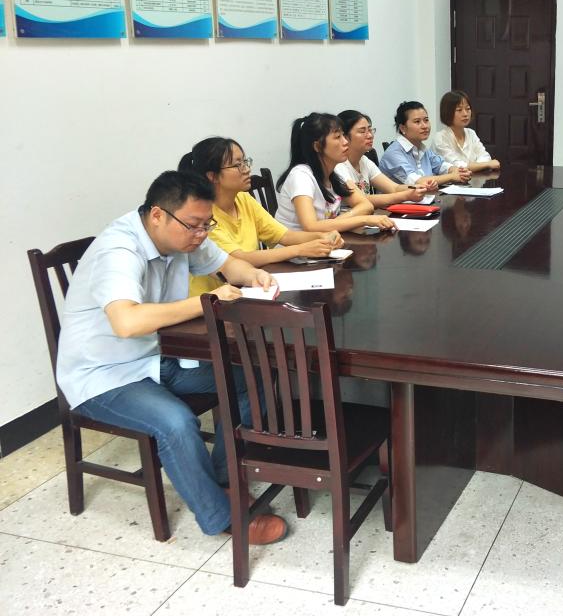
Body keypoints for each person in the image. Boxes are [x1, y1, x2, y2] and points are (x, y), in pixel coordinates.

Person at [55, 171, 288, 543]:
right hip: (102, 374)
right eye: (194, 225)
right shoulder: (119, 250)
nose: (201, 234)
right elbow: (127, 322)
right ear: (157, 215)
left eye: (206, 224)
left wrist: (255, 277)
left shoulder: (185, 235)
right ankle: (221, 517)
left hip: (155, 358)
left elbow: (229, 265)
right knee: (176, 422)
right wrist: (205, 301)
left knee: (253, 375)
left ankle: (224, 479)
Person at [178, 137, 345, 297]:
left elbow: (284, 235)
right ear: (213, 176)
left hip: (247, 288)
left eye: (245, 162)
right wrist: (299, 250)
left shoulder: (243, 199)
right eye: (238, 165)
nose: (247, 169)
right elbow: (238, 258)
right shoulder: (204, 216)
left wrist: (322, 237)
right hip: (212, 299)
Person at [275, 112, 395, 234]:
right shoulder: (301, 176)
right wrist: (363, 220)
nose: (345, 142)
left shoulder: (334, 173)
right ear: (318, 146)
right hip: (298, 245)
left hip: (328, 242)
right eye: (338, 137)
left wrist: (335, 223)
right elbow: (311, 227)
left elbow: (366, 205)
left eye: (343, 135)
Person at [335, 110, 430, 207]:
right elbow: (361, 199)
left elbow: (394, 188)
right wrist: (406, 196)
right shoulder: (338, 165)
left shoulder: (364, 161)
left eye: (370, 130)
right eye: (362, 131)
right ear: (344, 136)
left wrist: (417, 187)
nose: (370, 135)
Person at [379, 101, 472, 188]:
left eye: (426, 120)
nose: (425, 126)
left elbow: (441, 166)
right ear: (403, 128)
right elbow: (418, 182)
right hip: (400, 200)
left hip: (425, 197)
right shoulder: (393, 153)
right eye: (417, 122)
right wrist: (452, 176)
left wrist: (458, 171)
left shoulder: (421, 148)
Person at [433, 90, 501, 172]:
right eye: (459, 110)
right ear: (447, 112)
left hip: (475, 178)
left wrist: (477, 165)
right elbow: (458, 167)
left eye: (468, 109)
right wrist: (486, 164)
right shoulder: (440, 138)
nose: (465, 114)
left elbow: (485, 156)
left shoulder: (471, 133)